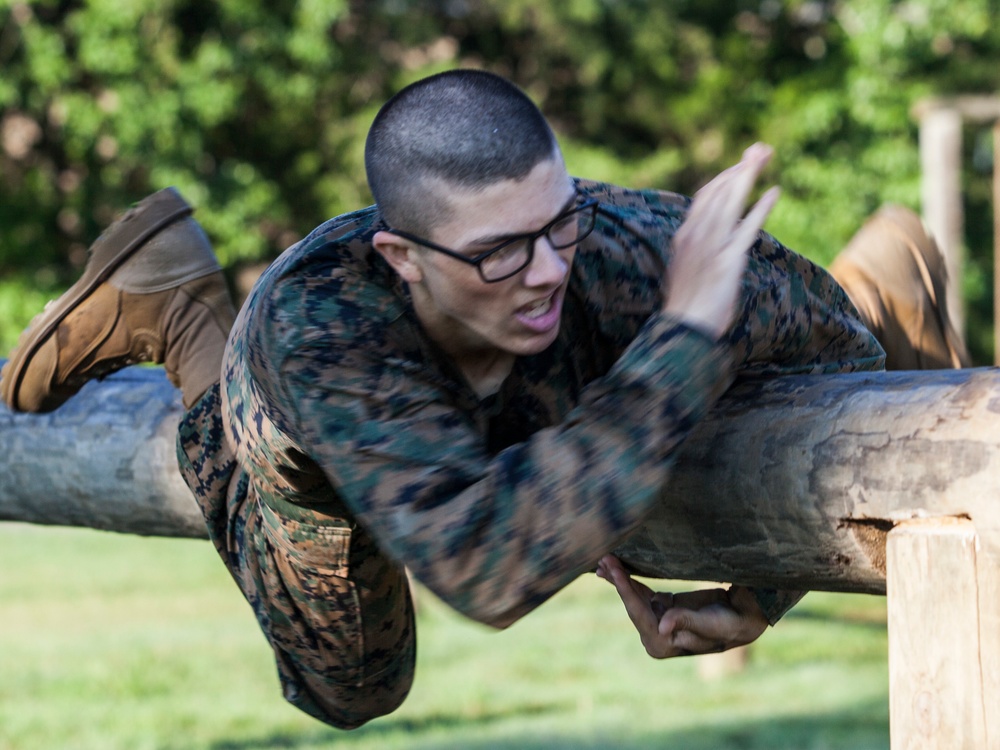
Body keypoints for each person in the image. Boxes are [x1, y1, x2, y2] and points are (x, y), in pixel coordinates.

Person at [0, 69, 966, 728]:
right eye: (500, 251)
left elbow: (844, 360)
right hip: (293, 418)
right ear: (403, 259)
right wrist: (683, 338)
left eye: (557, 222)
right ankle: (177, 317)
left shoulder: (632, 246)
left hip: (516, 410)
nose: (545, 269)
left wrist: (765, 588)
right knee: (355, 686)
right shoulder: (326, 329)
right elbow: (487, 567)